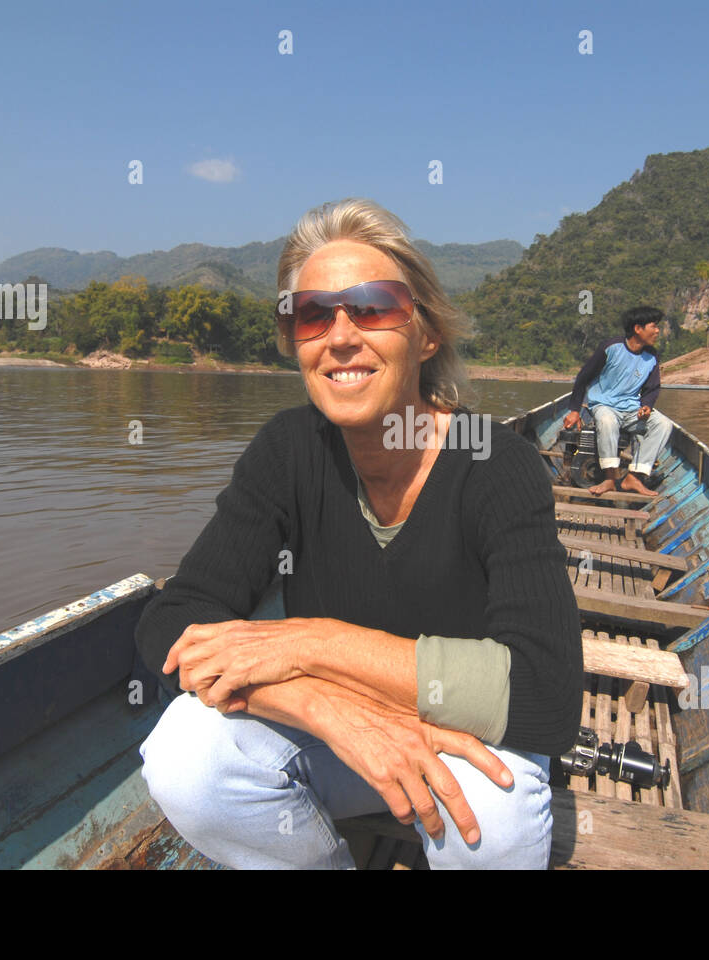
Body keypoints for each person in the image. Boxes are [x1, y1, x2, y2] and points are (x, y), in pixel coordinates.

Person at [133, 198, 582, 869]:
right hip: (335, 734)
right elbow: (173, 620)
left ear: (426, 335)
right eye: (311, 314)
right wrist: (319, 705)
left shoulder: (496, 464)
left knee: (489, 826)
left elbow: (544, 692)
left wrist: (312, 639)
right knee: (185, 758)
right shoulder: (288, 450)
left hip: (465, 736)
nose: (340, 336)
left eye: (372, 307)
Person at [562, 306, 673, 497]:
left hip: (631, 409)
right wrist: (574, 410)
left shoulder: (652, 356)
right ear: (638, 329)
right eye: (653, 326)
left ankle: (634, 477)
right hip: (604, 405)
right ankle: (610, 478)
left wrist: (646, 405)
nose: (657, 331)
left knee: (663, 424)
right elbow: (583, 378)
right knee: (607, 421)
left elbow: (652, 388)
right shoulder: (610, 348)